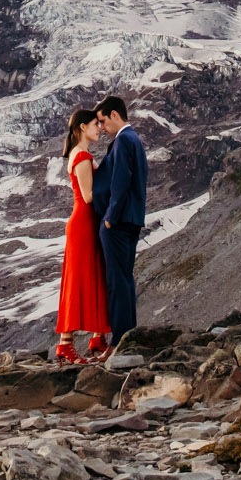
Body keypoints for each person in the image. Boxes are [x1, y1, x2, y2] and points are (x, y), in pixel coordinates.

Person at [52, 106, 109, 363]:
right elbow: (88, 196)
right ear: (82, 127)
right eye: (95, 124)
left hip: (84, 223)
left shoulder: (79, 153)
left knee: (91, 276)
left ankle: (97, 337)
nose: (99, 128)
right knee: (79, 280)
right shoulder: (82, 155)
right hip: (84, 223)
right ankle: (66, 343)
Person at [95, 94, 146, 343]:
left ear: (115, 115)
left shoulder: (123, 140)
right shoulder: (133, 139)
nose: (102, 128)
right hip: (132, 219)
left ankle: (118, 339)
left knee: (116, 280)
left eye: (103, 121)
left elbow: (121, 180)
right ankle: (129, 335)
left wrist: (110, 217)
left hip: (118, 220)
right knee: (125, 277)